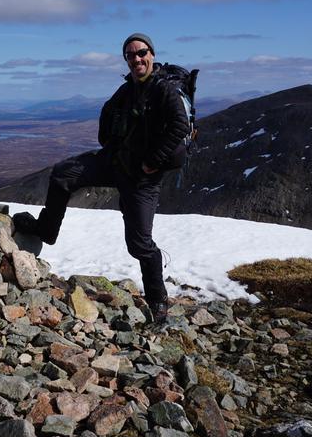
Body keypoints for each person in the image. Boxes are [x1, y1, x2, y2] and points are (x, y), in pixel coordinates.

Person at [15, 32, 189, 323]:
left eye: (141, 53)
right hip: (116, 163)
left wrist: (152, 162)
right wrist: (110, 140)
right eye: (130, 55)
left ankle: (158, 301)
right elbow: (108, 116)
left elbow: (179, 125)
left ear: (152, 54)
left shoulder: (163, 90)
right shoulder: (127, 89)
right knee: (63, 174)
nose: (137, 59)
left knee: (139, 244)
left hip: (142, 177)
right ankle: (46, 230)